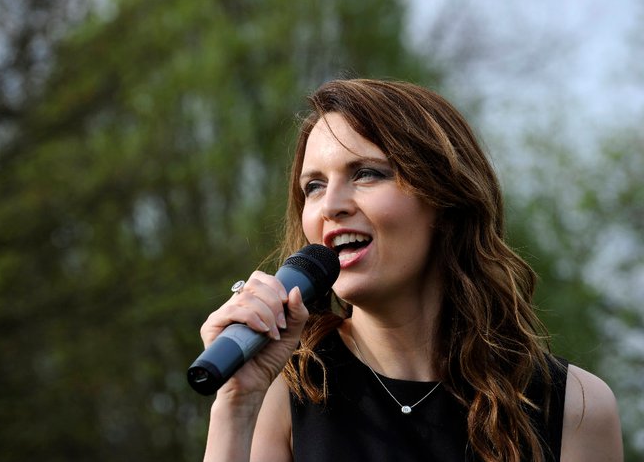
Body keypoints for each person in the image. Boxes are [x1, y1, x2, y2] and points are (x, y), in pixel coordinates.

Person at [198, 79, 623, 461]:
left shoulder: (574, 406)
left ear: (444, 199)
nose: (331, 206)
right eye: (314, 186)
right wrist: (236, 404)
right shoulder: (282, 390)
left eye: (366, 174)